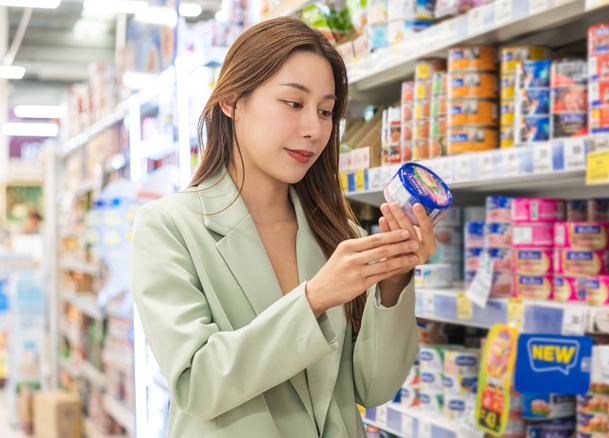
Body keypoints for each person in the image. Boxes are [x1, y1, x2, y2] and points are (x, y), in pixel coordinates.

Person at [131, 17, 437, 437]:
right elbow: (197, 382)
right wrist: (314, 299)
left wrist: (394, 278)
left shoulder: (337, 230)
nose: (313, 129)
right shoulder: (169, 226)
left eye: (326, 111)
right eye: (293, 104)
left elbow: (374, 387)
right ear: (232, 101)